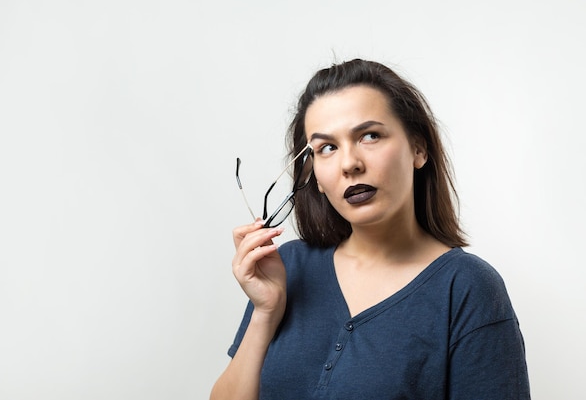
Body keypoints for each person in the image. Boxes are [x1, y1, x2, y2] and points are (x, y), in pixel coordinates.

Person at [210, 59, 530, 400]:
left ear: (418, 149)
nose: (350, 163)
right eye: (327, 148)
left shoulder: (467, 288)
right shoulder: (287, 267)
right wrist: (265, 312)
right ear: (314, 175)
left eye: (370, 136)